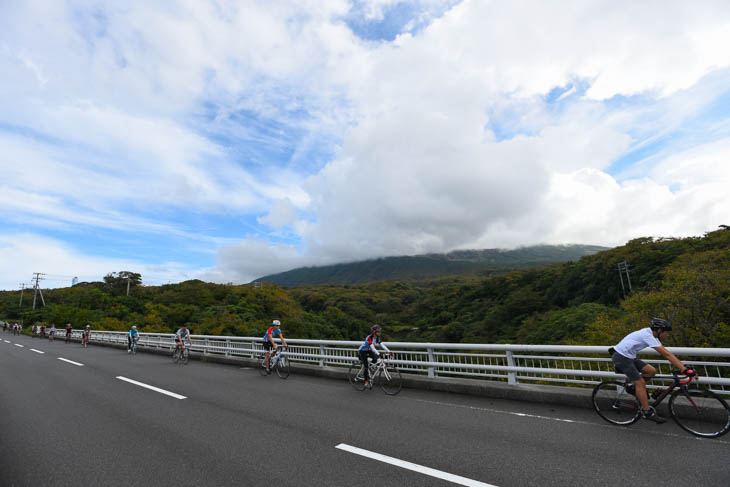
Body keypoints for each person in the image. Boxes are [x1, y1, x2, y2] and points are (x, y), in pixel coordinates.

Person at [610, 317, 696, 424]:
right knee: (640, 382)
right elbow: (666, 354)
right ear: (659, 330)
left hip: (629, 357)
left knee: (651, 371)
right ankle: (646, 412)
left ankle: (633, 388)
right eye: (666, 332)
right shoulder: (647, 335)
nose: (668, 335)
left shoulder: (651, 335)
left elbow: (666, 352)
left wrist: (684, 368)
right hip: (621, 357)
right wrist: (684, 369)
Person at [358, 325, 390, 389]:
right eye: (378, 332)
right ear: (374, 332)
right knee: (366, 366)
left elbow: (382, 345)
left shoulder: (377, 338)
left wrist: (389, 351)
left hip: (368, 351)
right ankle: (366, 382)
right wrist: (379, 354)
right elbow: (372, 348)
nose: (379, 333)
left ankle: (370, 371)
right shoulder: (369, 338)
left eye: (380, 331)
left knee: (375, 359)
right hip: (362, 351)